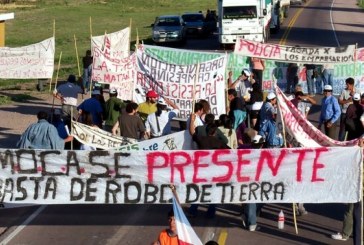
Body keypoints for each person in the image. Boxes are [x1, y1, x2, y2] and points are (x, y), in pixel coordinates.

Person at [331, 137, 363, 244]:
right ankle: (348, 234)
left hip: (359, 184)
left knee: (356, 213)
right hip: (356, 182)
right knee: (354, 211)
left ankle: (349, 235)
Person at [242, 134, 265, 231]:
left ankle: (248, 215)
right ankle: (252, 223)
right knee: (252, 201)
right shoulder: (261, 154)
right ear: (262, 144)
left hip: (253, 181)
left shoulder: (245, 151)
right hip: (250, 181)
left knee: (257, 200)